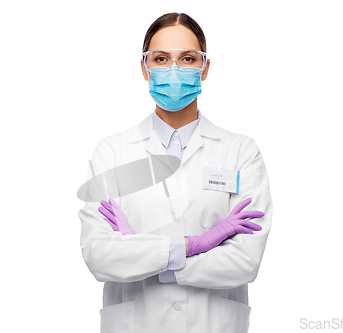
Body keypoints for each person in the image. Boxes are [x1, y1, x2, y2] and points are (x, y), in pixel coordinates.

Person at [78, 12, 273, 333]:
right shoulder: (112, 152)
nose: (174, 70)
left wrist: (145, 252)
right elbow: (100, 256)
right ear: (144, 68)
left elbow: (245, 262)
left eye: (187, 58)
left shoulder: (240, 151)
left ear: (205, 68)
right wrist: (195, 244)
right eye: (160, 58)